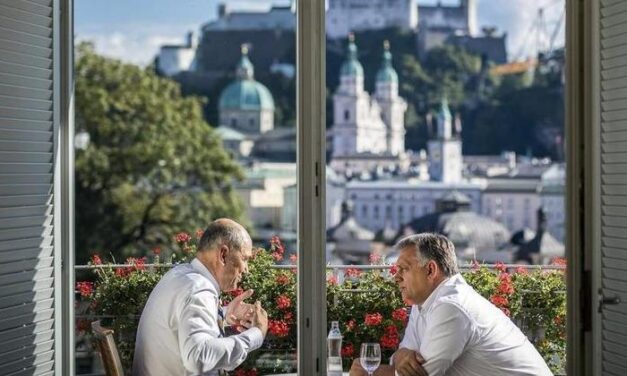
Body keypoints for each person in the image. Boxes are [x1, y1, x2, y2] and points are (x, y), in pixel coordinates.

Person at [350, 233, 553, 376]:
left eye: (403, 269)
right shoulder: (426, 302)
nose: (397, 278)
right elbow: (402, 359)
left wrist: (369, 372)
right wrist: (402, 355)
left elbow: (421, 374)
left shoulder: (451, 307)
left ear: (430, 270)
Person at [133, 219, 268, 376]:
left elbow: (181, 322)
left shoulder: (180, 275)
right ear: (223, 255)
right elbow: (199, 358)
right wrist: (256, 334)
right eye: (244, 259)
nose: (246, 269)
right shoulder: (198, 289)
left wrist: (223, 314)